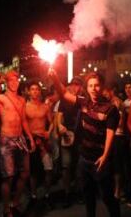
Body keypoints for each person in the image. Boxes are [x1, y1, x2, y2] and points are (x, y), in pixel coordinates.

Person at [49, 69, 120, 217]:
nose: (94, 89)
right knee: (88, 197)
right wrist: (55, 77)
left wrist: (105, 157)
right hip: (84, 159)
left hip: (100, 160)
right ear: (87, 88)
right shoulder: (84, 102)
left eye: (97, 85)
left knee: (107, 197)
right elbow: (63, 93)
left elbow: (110, 135)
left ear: (102, 87)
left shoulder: (111, 109)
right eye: (91, 86)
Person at [0, 70, 35, 217]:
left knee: (25, 172)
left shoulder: (22, 100)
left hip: (20, 138)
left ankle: (16, 202)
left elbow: (24, 120)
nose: (14, 82)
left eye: (16, 80)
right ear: (6, 83)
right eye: (11, 80)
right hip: (7, 139)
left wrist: (30, 137)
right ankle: (6, 209)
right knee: (8, 177)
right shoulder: (0, 98)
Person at [56, 76, 83, 208]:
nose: (75, 87)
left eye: (78, 85)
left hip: (80, 138)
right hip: (66, 136)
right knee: (66, 167)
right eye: (73, 85)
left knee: (79, 167)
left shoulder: (84, 101)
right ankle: (67, 194)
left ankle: (79, 192)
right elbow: (59, 117)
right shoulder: (64, 101)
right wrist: (60, 126)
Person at [25, 81, 53, 203]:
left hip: (44, 141)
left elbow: (52, 122)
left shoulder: (45, 106)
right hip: (31, 140)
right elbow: (23, 124)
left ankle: (47, 193)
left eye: (37, 89)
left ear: (40, 91)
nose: (35, 91)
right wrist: (29, 137)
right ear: (29, 92)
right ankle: (33, 195)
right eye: (32, 89)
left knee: (49, 168)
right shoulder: (25, 106)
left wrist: (48, 132)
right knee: (33, 171)